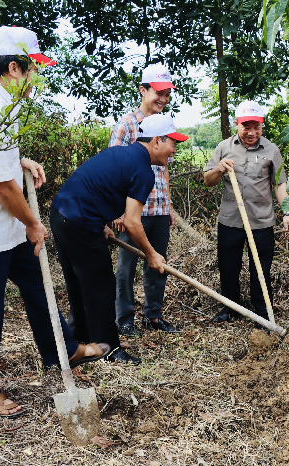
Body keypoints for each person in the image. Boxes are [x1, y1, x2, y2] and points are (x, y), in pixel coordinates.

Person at [0, 26, 110, 419]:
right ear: (15, 67)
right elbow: (1, 186)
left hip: (6, 227)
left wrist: (19, 161)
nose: (36, 77)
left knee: (37, 286)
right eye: (34, 68)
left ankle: (62, 350)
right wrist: (34, 224)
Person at [49, 115, 189, 365]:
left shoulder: (123, 154)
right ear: (156, 141)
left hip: (62, 214)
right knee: (102, 286)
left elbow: (97, 186)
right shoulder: (144, 172)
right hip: (79, 222)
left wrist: (100, 223)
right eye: (172, 143)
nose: (174, 151)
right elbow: (133, 223)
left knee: (80, 284)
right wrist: (152, 254)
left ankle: (78, 344)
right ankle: (109, 350)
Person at [203, 101, 289, 325]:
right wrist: (219, 168)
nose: (252, 132)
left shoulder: (271, 150)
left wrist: (287, 211)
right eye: (246, 127)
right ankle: (230, 307)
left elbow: (279, 185)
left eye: (257, 127)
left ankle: (262, 311)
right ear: (237, 124)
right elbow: (208, 181)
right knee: (228, 266)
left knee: (261, 268)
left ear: (262, 126)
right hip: (230, 221)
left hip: (261, 221)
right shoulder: (224, 148)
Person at [110, 64, 179, 336]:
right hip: (132, 212)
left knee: (157, 264)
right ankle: (124, 319)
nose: (163, 99)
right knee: (126, 268)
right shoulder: (127, 125)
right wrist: (117, 211)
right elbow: (114, 168)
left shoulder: (165, 125)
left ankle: (154, 316)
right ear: (143, 90)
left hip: (159, 209)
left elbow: (165, 167)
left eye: (167, 94)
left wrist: (169, 205)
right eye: (158, 92)